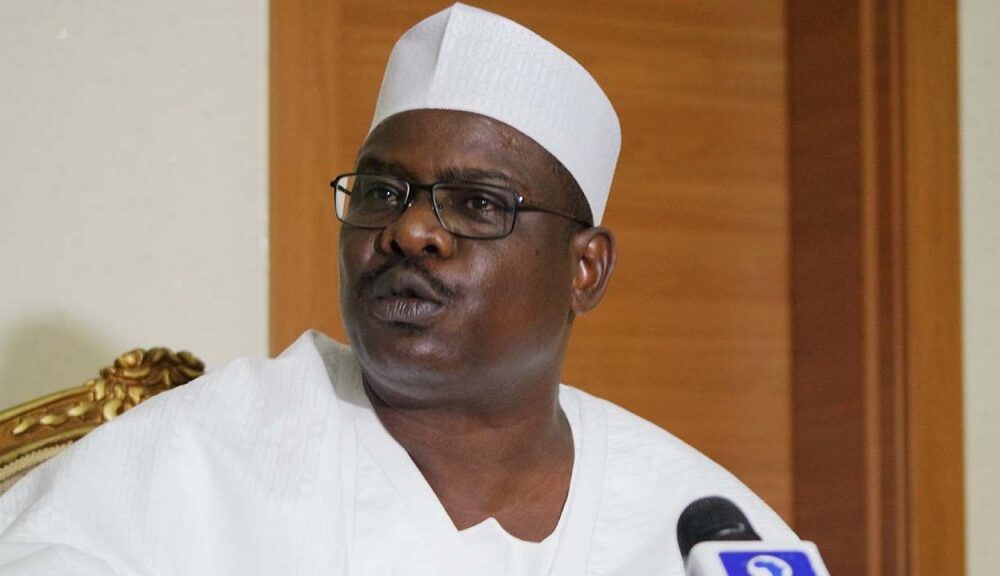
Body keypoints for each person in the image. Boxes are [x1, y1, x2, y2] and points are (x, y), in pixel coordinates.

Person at [0, 4, 795, 574]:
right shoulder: (197, 460)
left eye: (476, 204)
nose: (411, 231)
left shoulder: (699, 523)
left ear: (584, 270)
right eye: (382, 193)